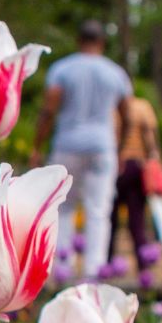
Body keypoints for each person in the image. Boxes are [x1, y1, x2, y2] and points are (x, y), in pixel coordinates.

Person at [35, 20, 132, 280]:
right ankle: (93, 273)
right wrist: (121, 150)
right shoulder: (116, 73)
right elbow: (127, 115)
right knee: (99, 211)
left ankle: (61, 270)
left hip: (67, 145)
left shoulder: (62, 69)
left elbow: (48, 111)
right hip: (102, 146)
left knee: (63, 209)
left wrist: (36, 146)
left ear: (79, 41)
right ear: (102, 43)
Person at [111, 90, 162, 284]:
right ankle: (143, 268)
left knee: (110, 219)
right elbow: (150, 137)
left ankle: (107, 264)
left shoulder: (111, 108)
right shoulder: (142, 106)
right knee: (137, 219)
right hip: (136, 165)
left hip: (113, 166)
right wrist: (155, 159)